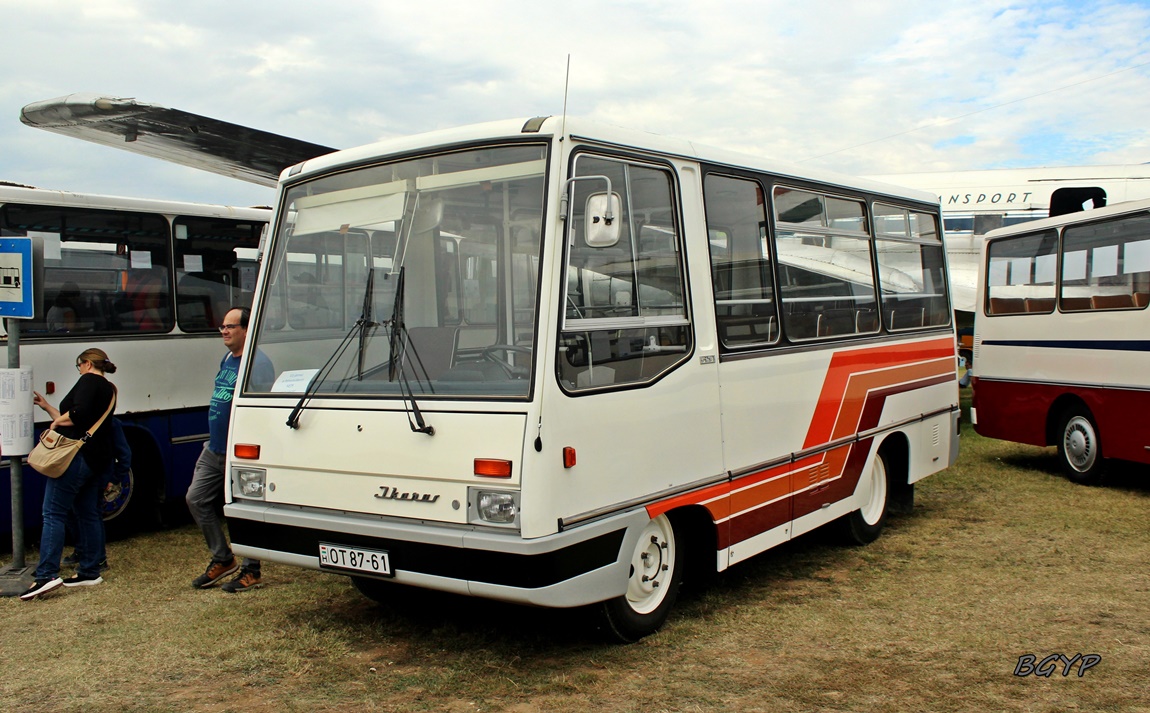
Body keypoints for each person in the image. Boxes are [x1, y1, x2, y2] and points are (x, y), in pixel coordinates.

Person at [186, 306, 274, 593]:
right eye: (222, 327)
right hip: (214, 448)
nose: (224, 331)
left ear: (247, 330)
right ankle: (223, 559)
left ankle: (252, 570)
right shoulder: (227, 358)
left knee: (244, 508)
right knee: (195, 499)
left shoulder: (257, 364)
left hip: (240, 451)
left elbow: (260, 409)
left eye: (230, 327)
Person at [21, 348, 118, 600]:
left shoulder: (87, 380)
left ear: (86, 364)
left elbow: (77, 415)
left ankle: (46, 575)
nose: (79, 370)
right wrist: (48, 408)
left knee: (53, 513)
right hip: (95, 459)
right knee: (87, 513)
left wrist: (55, 423)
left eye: (78, 366)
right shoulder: (109, 388)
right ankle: (90, 570)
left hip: (76, 457)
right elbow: (85, 420)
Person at [63, 417, 132, 571]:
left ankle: (98, 559)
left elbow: (124, 454)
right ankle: (82, 551)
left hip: (98, 476)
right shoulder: (85, 420)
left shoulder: (111, 423)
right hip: (84, 473)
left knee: (90, 514)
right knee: (76, 512)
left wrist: (114, 479)